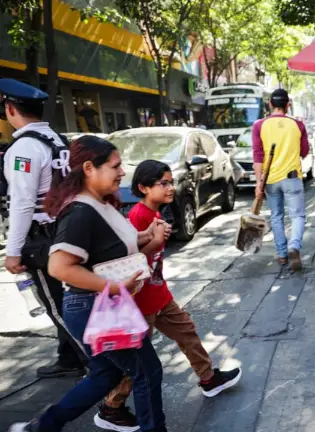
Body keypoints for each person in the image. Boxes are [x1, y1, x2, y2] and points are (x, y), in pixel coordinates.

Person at [9, 136, 167, 432]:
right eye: (115, 166)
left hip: (99, 306)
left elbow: (114, 253)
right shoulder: (80, 211)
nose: (122, 172)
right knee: (147, 371)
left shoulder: (101, 204)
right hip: (94, 307)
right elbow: (59, 267)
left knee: (105, 375)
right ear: (88, 168)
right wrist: (116, 288)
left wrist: (147, 237)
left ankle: (41, 427)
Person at [97, 160, 243, 429]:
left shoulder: (157, 213)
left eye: (171, 182)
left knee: (187, 331)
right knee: (140, 364)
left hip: (159, 294)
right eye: (163, 183)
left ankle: (208, 377)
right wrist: (154, 241)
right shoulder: (138, 217)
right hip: (141, 303)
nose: (170, 188)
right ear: (143, 187)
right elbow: (132, 262)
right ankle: (111, 406)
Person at [0, 78, 89, 379]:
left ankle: (97, 363)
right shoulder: (58, 140)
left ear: (10, 109)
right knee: (70, 299)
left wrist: (12, 252)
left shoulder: (24, 147)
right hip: (68, 229)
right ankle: (69, 358)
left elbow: (23, 203)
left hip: (44, 238)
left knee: (57, 306)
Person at [252, 89, 310, 271]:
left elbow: (258, 157)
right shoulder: (298, 125)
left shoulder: (259, 125)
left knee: (277, 217)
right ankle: (294, 246)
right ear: (288, 105)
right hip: (292, 178)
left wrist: (258, 183)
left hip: (270, 179)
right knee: (297, 215)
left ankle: (282, 255)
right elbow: (304, 152)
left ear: (270, 104)